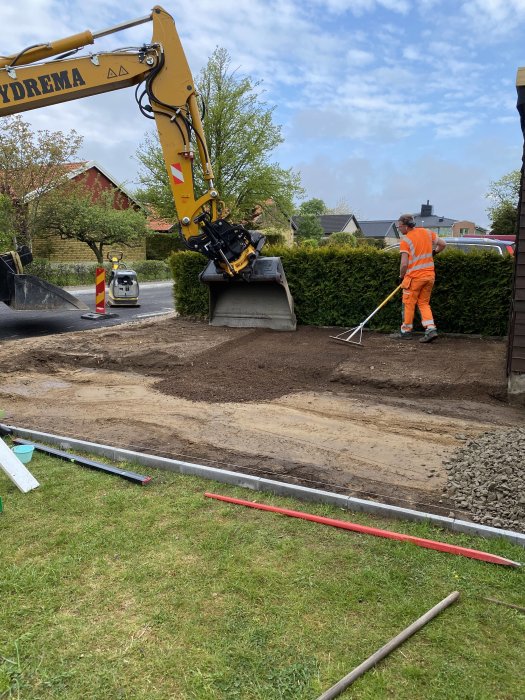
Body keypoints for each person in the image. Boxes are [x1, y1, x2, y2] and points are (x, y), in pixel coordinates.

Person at [391, 213, 447, 343]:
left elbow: (404, 264)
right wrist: (434, 252)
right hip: (429, 276)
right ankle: (431, 329)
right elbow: (443, 244)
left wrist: (401, 276)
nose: (399, 228)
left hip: (414, 278)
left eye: (399, 226)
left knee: (409, 303)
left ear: (405, 226)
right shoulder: (427, 232)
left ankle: (406, 331)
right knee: (423, 303)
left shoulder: (406, 241)